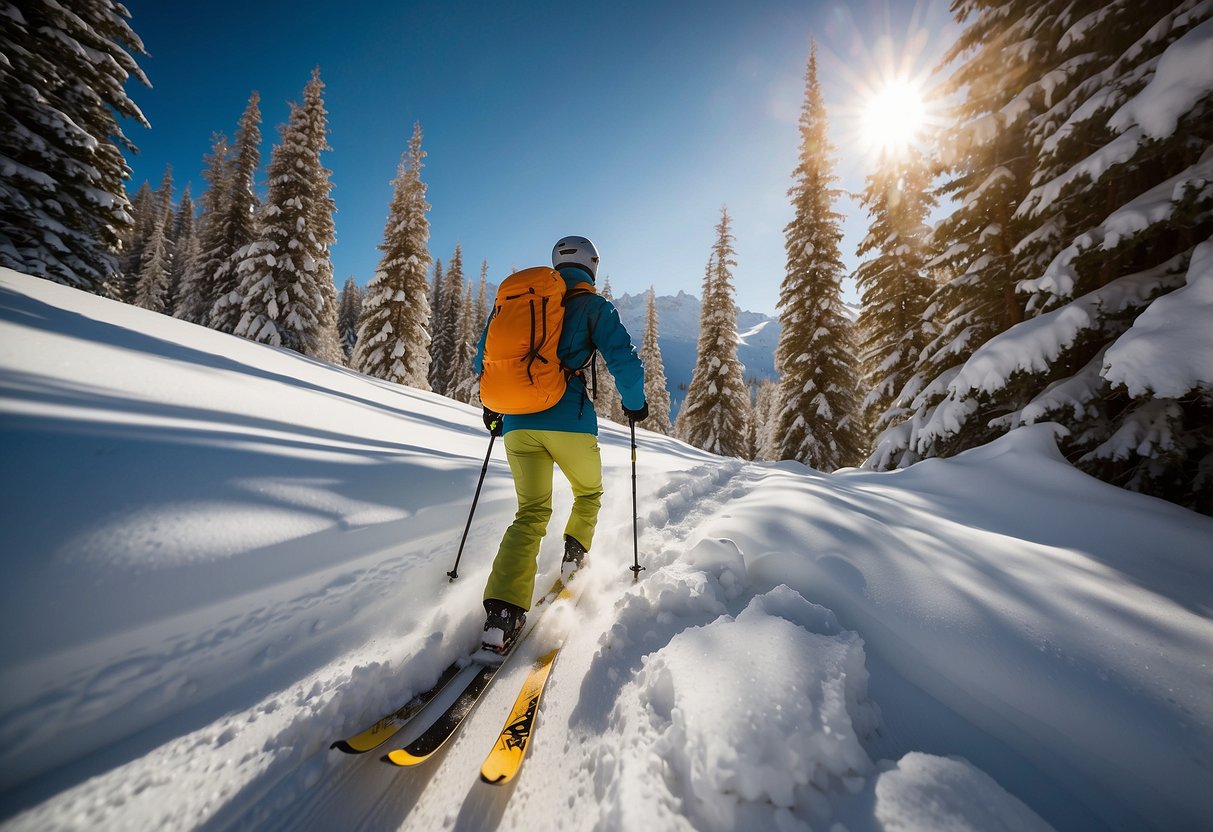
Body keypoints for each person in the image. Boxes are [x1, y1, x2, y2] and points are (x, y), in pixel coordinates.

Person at [474, 235, 647, 653]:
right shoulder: (593, 307)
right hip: (570, 422)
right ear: (591, 266)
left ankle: (502, 613)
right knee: (588, 491)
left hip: (516, 424)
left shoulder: (523, 303)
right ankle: (574, 554)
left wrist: (495, 408)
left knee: (530, 511)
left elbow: (487, 357)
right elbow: (622, 358)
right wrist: (635, 404)